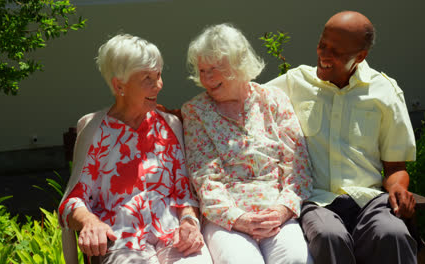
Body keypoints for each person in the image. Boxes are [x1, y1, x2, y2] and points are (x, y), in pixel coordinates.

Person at [266, 11, 417, 264]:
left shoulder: (384, 91)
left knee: (393, 233)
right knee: (328, 235)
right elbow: (241, 100)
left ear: (360, 56)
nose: (324, 55)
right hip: (317, 200)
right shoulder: (295, 82)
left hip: (369, 200)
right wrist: (183, 114)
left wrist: (398, 188)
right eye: (322, 45)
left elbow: (395, 167)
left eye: (336, 52)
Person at [58, 34, 212, 264]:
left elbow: (184, 191)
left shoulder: (169, 125)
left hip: (173, 236)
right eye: (147, 78)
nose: (158, 85)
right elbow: (73, 200)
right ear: (119, 85)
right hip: (122, 241)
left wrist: (189, 223)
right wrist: (89, 222)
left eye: (159, 75)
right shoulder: (95, 131)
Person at [182, 23, 314, 264]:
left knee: (296, 259)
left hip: (276, 213)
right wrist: (238, 218)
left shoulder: (273, 100)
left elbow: (297, 168)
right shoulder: (196, 111)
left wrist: (281, 211)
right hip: (226, 218)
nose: (207, 77)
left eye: (215, 68)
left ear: (239, 63)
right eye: (202, 70)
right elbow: (205, 179)